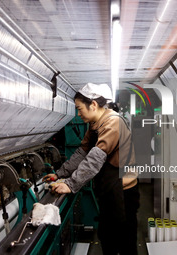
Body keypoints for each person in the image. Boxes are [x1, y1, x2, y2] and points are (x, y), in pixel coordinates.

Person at [42, 82, 140, 255]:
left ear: (93, 105)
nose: (78, 114)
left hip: (123, 193)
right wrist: (59, 174)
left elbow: (95, 159)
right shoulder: (95, 125)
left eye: (80, 109)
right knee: (107, 236)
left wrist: (71, 184)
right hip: (109, 190)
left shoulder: (113, 123)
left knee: (125, 240)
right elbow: (82, 153)